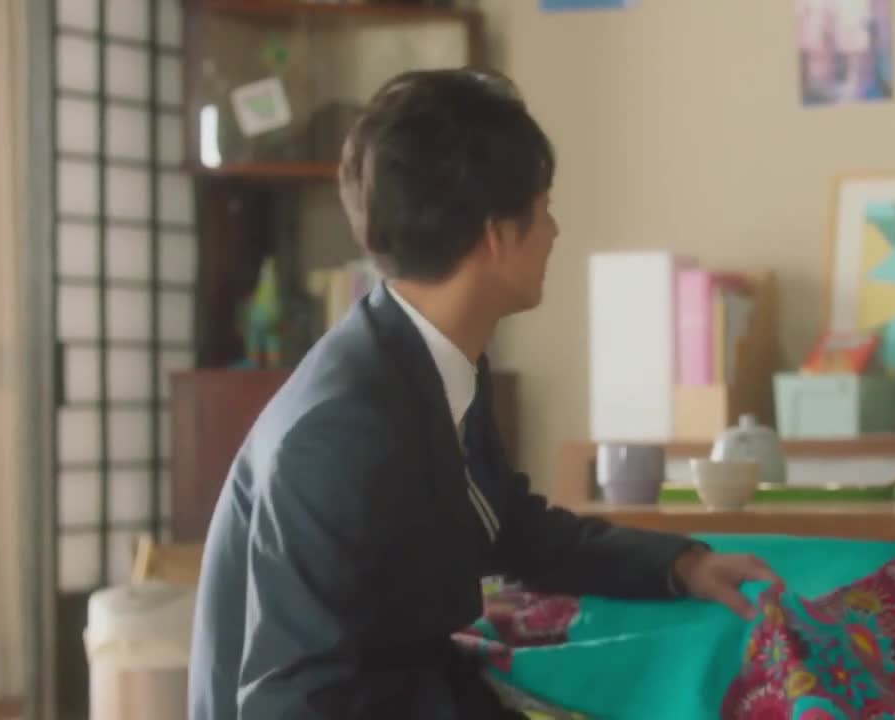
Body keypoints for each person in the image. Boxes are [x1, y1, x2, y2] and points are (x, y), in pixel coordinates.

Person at [188, 68, 777, 719]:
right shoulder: (341, 428)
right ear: (498, 235)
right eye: (544, 208)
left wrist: (683, 566)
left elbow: (512, 527)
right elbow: (292, 700)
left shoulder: (428, 359)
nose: (554, 231)